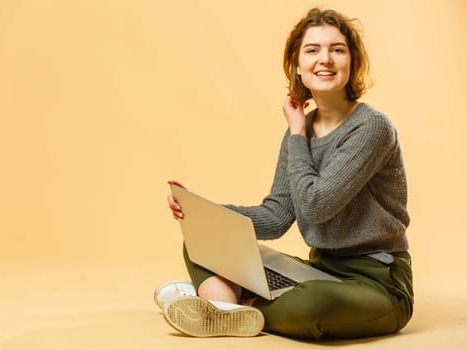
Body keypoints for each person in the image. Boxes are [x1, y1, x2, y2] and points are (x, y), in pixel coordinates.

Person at [155, 7, 413, 340]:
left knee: (311, 306)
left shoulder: (372, 128)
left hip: (378, 281)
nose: (326, 59)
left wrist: (295, 131)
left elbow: (316, 205)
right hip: (317, 270)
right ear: (297, 66)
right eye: (312, 50)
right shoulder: (300, 130)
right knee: (203, 243)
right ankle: (229, 308)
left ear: (353, 62)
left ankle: (218, 304)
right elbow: (276, 216)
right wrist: (206, 213)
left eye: (337, 49)